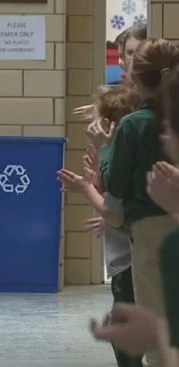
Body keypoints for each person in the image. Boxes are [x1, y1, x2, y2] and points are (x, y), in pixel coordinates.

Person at [102, 38, 179, 367]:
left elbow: (115, 183)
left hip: (148, 229)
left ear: (134, 77)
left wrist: (104, 151)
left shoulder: (132, 125)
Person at [57, 85, 143, 367]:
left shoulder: (118, 152)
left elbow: (116, 212)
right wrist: (95, 182)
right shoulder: (120, 150)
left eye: (94, 117)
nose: (89, 124)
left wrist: (86, 188)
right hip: (127, 255)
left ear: (107, 124)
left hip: (132, 260)